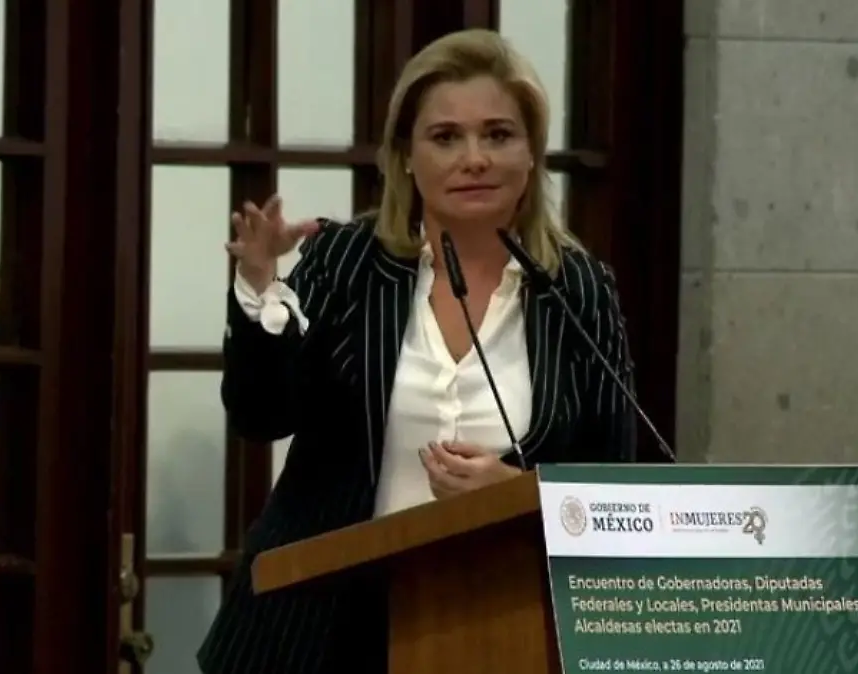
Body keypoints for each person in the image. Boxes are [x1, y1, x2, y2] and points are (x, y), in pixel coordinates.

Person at [196, 29, 649, 674]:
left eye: (498, 135)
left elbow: (615, 489)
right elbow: (261, 415)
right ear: (406, 156)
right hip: (321, 636)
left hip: (507, 631)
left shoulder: (579, 291)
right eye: (446, 137)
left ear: (530, 153)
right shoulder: (347, 262)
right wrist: (260, 290)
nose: (475, 159)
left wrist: (517, 493)